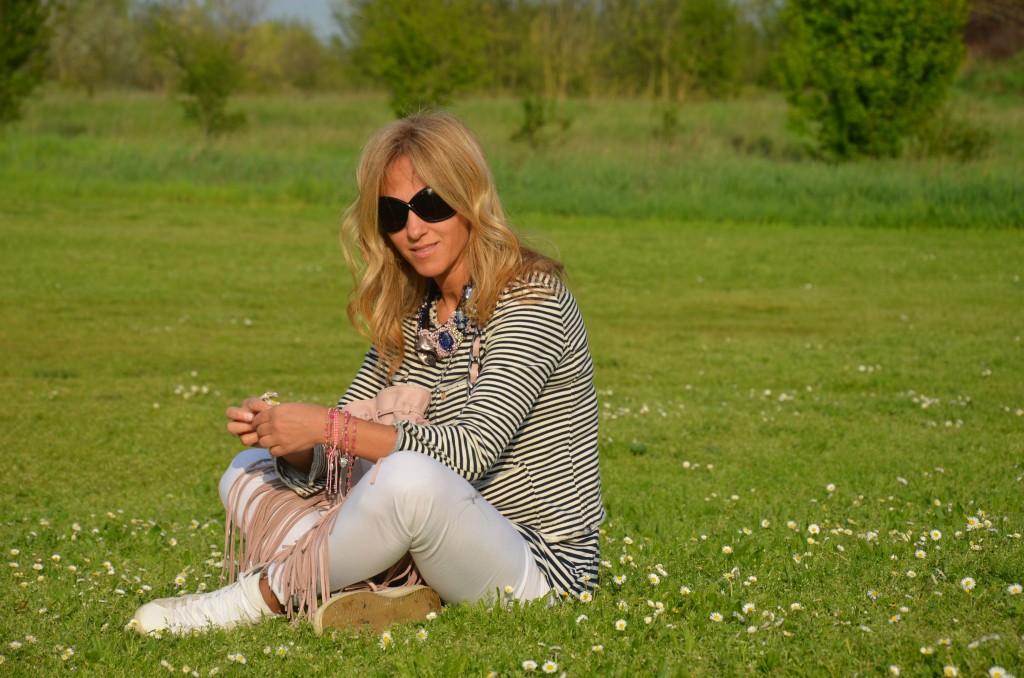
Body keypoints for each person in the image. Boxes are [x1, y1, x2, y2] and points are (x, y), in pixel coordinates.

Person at [131, 111, 604, 635]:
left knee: (406, 479)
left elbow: (469, 452)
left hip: (535, 565)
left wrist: (326, 427)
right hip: (434, 541)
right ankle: (377, 588)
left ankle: (258, 598)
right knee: (247, 470)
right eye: (393, 214)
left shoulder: (531, 298)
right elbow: (345, 446)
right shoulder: (415, 310)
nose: (414, 230)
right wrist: (291, 441)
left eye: (431, 204)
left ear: (471, 196)